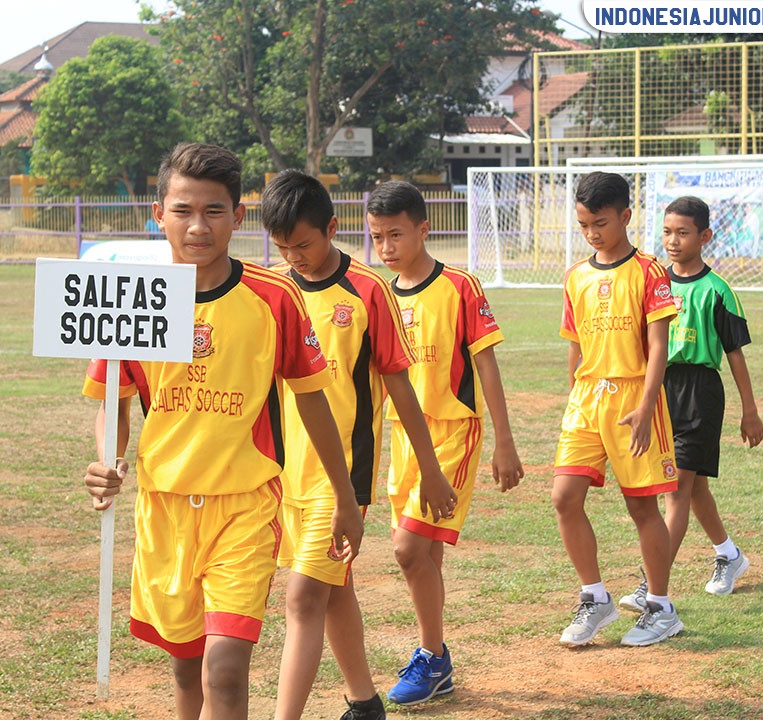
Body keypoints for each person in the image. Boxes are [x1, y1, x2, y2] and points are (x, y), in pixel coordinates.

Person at [81, 143, 364, 720]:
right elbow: (116, 400)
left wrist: (344, 496)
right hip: (164, 509)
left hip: (245, 507)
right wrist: (106, 461)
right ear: (158, 213)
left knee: (227, 669)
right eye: (182, 210)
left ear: (238, 217)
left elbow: (314, 404)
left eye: (214, 211)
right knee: (187, 669)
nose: (198, 226)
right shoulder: (135, 298)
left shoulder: (274, 298)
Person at [260, 170, 454, 720]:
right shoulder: (274, 291)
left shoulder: (368, 291)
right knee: (333, 589)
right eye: (282, 247)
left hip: (341, 477)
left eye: (304, 244)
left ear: (332, 228)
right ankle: (365, 703)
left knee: (302, 598)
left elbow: (401, 390)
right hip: (281, 474)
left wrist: (432, 471)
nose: (294, 256)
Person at [367, 180, 523, 705]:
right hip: (403, 438)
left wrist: (505, 441)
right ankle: (437, 662)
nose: (386, 247)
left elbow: (485, 362)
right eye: (377, 237)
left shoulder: (459, 285)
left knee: (409, 548)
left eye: (396, 234)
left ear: (423, 228)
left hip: (453, 431)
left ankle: (432, 657)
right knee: (423, 554)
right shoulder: (379, 294)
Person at [552, 171, 683, 648]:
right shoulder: (576, 277)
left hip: (634, 399)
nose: (592, 233)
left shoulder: (649, 271)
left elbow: (658, 345)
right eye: (584, 224)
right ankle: (595, 597)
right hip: (586, 400)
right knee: (565, 497)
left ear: (625, 216)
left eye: (600, 223)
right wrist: (573, 396)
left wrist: (648, 407)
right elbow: (575, 345)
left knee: (641, 505)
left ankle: (662, 607)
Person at [618, 196, 763, 613]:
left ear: (704, 237)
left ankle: (652, 584)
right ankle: (729, 555)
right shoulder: (655, 283)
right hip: (660, 390)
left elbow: (735, 353)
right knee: (693, 486)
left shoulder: (717, 291)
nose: (673, 240)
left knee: (676, 490)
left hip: (700, 392)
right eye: (667, 232)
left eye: (683, 233)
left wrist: (749, 410)